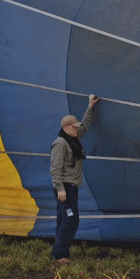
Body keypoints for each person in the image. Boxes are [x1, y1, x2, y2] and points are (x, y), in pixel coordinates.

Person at [49, 94, 99, 263]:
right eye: (74, 127)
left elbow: (85, 126)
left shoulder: (73, 139)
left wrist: (90, 107)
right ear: (66, 127)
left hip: (72, 186)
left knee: (63, 218)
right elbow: (55, 168)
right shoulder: (60, 143)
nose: (78, 129)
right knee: (71, 219)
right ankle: (60, 255)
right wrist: (60, 189)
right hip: (65, 187)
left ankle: (58, 251)